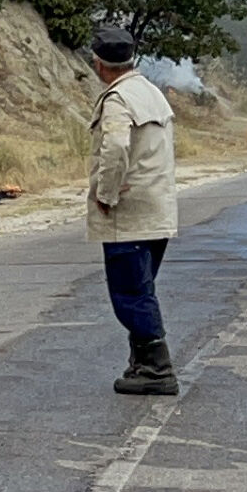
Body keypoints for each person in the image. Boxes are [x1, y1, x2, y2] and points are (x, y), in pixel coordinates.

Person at [85, 25, 180, 395]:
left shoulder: (117, 99)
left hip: (130, 213)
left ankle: (157, 370)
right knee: (142, 287)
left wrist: (106, 195)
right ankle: (141, 363)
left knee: (130, 293)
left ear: (99, 63)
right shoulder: (150, 92)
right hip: (157, 208)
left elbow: (115, 148)